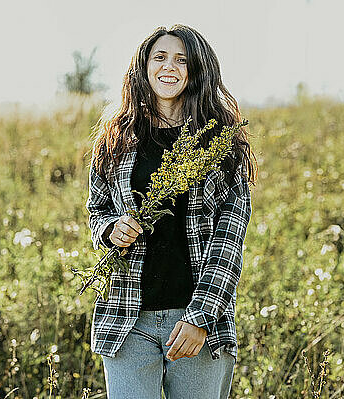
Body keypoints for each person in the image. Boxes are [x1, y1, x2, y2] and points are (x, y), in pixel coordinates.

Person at [85, 24, 257, 399]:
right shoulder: (117, 139)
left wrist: (200, 318)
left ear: (197, 70)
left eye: (182, 60)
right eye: (160, 57)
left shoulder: (222, 147)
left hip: (196, 322)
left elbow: (229, 245)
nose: (169, 67)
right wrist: (110, 229)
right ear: (143, 66)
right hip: (127, 321)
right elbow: (96, 211)